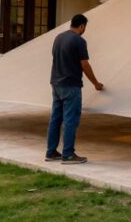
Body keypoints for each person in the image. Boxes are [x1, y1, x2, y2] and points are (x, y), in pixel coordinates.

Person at [45, 13, 104, 163]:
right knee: (71, 120)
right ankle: (68, 155)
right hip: (71, 85)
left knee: (55, 119)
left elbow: (55, 57)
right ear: (82, 26)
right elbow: (84, 64)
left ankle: (51, 152)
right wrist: (96, 83)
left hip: (56, 83)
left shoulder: (59, 37)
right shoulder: (79, 41)